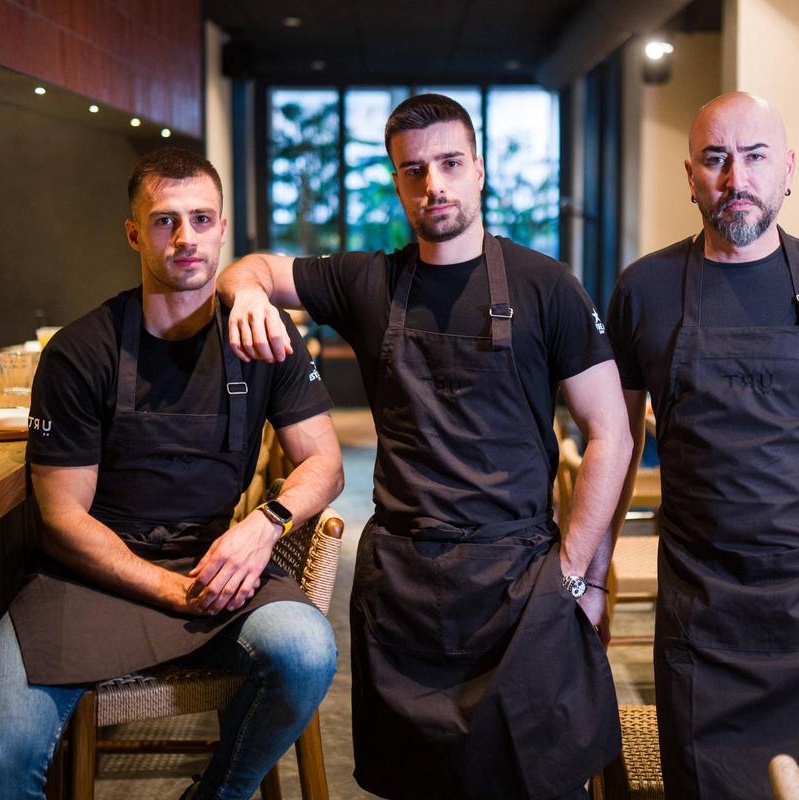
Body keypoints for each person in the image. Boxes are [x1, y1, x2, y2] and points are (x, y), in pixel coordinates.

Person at [217, 94, 630, 799]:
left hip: (518, 576)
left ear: (479, 170)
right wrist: (250, 295)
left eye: (449, 163)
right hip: (405, 586)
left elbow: (611, 434)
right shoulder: (367, 280)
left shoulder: (547, 285)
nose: (433, 184)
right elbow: (249, 267)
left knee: (535, 777)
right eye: (414, 170)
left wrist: (576, 576)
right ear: (398, 182)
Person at [0, 148, 344, 800]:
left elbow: (324, 463)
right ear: (135, 234)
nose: (186, 237)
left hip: (215, 566)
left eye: (201, 219)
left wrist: (264, 525)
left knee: (307, 652)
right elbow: (62, 520)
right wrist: (171, 591)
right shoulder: (81, 351)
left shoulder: (262, 335)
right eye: (166, 221)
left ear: (222, 229)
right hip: (90, 578)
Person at [607, 92, 799, 799]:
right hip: (704, 615)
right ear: (690, 175)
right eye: (715, 159)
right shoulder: (644, 289)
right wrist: (589, 577)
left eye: (754, 157)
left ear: (788, 169)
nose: (735, 177)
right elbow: (615, 446)